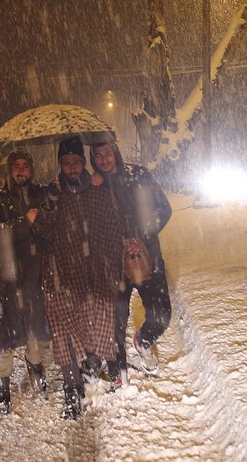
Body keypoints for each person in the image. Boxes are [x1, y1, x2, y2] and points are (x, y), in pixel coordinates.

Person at [31, 136, 125, 419]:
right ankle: (72, 390)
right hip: (61, 275)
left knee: (96, 326)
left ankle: (93, 368)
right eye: (66, 162)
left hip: (95, 273)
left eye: (76, 161)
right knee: (63, 335)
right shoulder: (53, 193)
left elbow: (112, 225)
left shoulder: (97, 189)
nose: (71, 167)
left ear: (83, 163)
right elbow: (43, 232)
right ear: (60, 165)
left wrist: (110, 264)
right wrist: (51, 202)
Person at [90, 139, 172, 384]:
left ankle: (143, 341)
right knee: (115, 320)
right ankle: (118, 375)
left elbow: (163, 209)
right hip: (113, 264)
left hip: (148, 258)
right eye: (98, 156)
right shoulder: (94, 185)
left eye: (107, 153)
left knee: (161, 315)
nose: (104, 159)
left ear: (115, 151)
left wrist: (142, 236)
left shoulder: (138, 175)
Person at [0, 149, 53, 416]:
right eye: (16, 167)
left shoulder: (41, 194)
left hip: (34, 277)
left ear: (32, 169)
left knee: (38, 332)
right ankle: (2, 389)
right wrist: (25, 222)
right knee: (0, 336)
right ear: (9, 170)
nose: (21, 171)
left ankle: (34, 365)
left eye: (25, 166)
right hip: (4, 279)